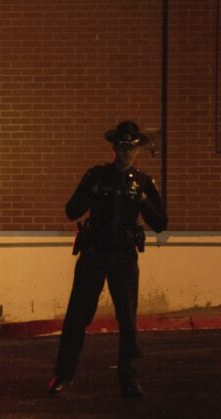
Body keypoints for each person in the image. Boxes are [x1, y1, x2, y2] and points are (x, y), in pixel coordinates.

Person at [49, 121, 168, 398]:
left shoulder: (143, 182)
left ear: (137, 149)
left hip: (124, 255)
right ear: (114, 148)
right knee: (78, 315)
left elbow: (160, 223)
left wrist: (141, 202)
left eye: (132, 147)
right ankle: (63, 375)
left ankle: (129, 377)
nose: (127, 152)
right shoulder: (97, 176)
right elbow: (71, 210)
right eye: (123, 147)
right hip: (94, 253)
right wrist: (90, 194)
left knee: (127, 319)